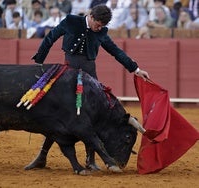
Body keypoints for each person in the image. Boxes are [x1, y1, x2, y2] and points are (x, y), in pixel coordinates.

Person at [25, 4, 150, 171]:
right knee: (59, 117)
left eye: (102, 27)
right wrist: (39, 62)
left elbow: (116, 52)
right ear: (91, 16)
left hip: (90, 78)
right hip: (68, 76)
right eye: (97, 24)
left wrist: (136, 69)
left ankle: (90, 160)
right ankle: (42, 155)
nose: (99, 29)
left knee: (94, 117)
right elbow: (50, 38)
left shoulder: (102, 33)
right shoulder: (71, 21)